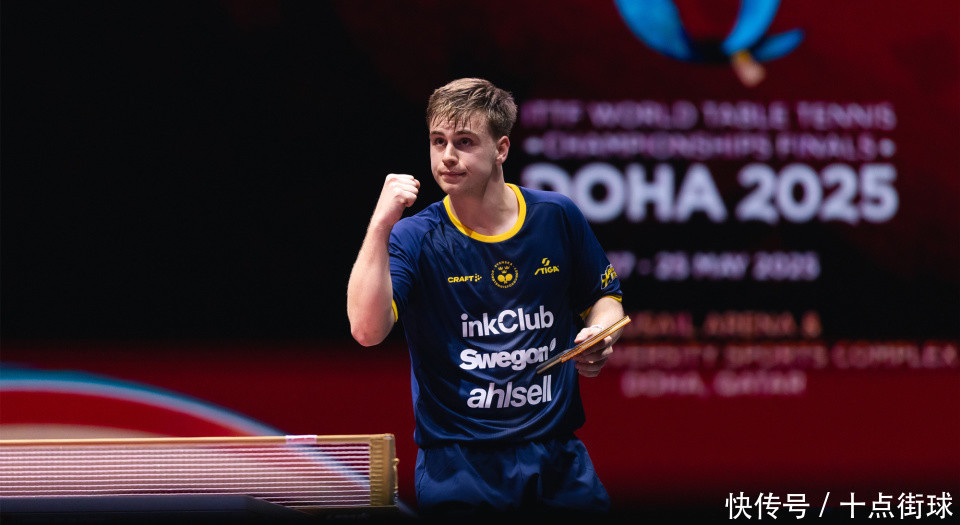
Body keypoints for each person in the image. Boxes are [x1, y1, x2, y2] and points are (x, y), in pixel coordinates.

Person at [346, 78, 625, 517]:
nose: (447, 156)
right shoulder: (414, 236)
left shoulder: (557, 216)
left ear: (501, 149)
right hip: (460, 468)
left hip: (558, 459)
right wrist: (381, 224)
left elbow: (605, 297)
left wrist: (600, 334)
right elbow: (367, 330)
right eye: (438, 141)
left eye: (464, 142)